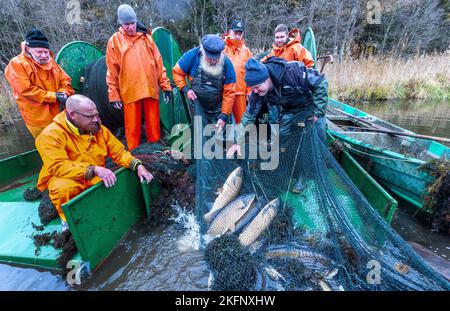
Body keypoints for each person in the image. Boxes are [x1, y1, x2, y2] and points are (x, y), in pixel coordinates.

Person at [35, 94, 154, 231]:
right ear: (73, 115)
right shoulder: (49, 135)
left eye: (96, 114)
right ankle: (67, 220)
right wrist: (94, 170)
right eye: (90, 116)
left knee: (110, 185)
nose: (96, 120)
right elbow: (59, 166)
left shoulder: (97, 128)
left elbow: (119, 152)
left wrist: (137, 165)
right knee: (63, 189)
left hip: (92, 173)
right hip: (66, 177)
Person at [227, 57, 328, 192]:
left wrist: (318, 111)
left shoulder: (292, 72)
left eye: (257, 87)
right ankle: (288, 168)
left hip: (310, 108)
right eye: (252, 88)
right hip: (288, 111)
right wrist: (236, 142)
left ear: (267, 78)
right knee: (282, 138)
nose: (255, 91)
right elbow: (248, 117)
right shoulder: (257, 94)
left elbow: (320, 82)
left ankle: (302, 176)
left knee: (312, 138)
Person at [106, 4, 172, 151]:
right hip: (129, 91)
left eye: (132, 23)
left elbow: (159, 64)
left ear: (136, 22)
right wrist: (113, 94)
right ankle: (135, 156)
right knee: (132, 128)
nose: (130, 27)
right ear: (121, 24)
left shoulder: (147, 39)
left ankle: (155, 153)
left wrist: (165, 86)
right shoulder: (114, 41)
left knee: (154, 126)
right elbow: (112, 71)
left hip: (150, 88)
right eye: (126, 24)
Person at [5, 28, 74, 139]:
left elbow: (65, 80)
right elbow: (26, 91)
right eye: (39, 52)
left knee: (70, 145)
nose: (44, 55)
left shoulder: (50, 61)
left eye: (46, 52)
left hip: (61, 114)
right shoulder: (17, 64)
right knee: (51, 150)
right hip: (38, 120)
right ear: (28, 49)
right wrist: (54, 96)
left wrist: (63, 93)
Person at [172, 34, 236, 131]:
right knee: (200, 137)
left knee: (227, 139)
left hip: (219, 106)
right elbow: (177, 72)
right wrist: (186, 90)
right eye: (210, 58)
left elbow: (230, 92)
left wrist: (224, 115)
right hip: (198, 104)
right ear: (203, 51)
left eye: (216, 58)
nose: (213, 61)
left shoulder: (227, 64)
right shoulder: (192, 56)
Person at [222, 20, 253, 124]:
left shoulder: (246, 51)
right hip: (224, 93)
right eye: (235, 33)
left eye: (240, 34)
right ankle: (226, 140)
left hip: (240, 93)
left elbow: (250, 72)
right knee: (225, 122)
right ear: (229, 32)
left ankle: (241, 140)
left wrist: (249, 90)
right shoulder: (222, 48)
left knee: (242, 123)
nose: (237, 36)